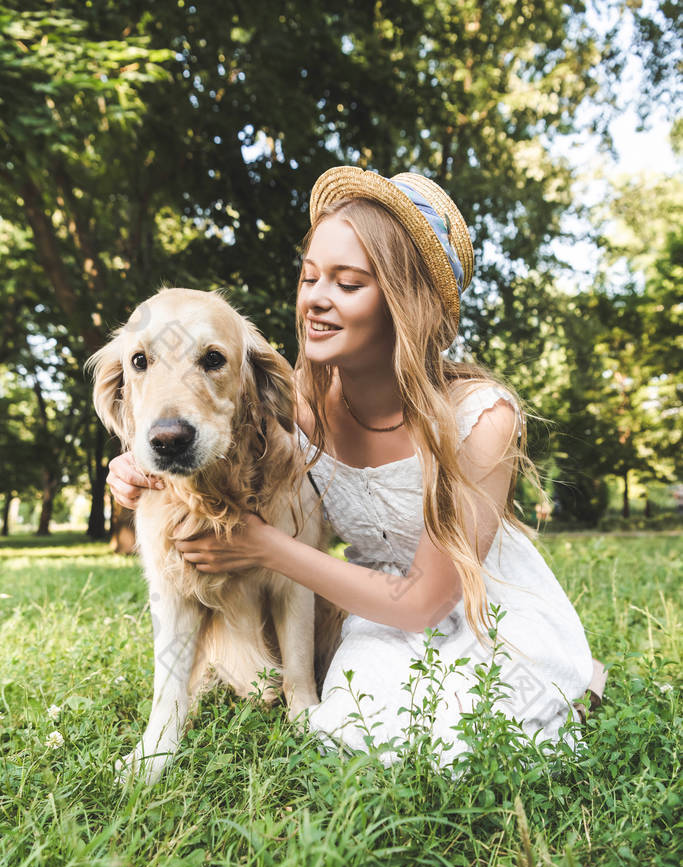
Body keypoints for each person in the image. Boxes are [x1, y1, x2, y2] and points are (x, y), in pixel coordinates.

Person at [107, 165, 607, 766]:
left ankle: (566, 678)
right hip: (375, 617)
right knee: (347, 729)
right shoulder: (305, 409)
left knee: (464, 744)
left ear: (404, 303)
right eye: (311, 275)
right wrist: (135, 465)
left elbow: (423, 601)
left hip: (482, 614)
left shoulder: (482, 418)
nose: (315, 298)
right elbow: (214, 427)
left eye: (348, 283)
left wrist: (264, 546)